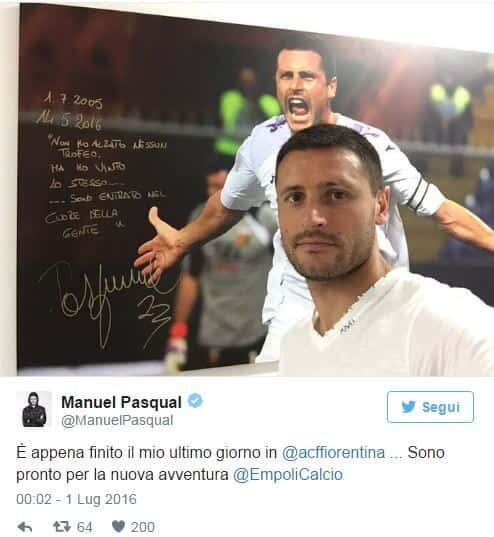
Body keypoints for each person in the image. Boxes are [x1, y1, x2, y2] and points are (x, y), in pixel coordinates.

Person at [135, 35, 494, 364]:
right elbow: (226, 206)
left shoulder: (369, 145)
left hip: (371, 307)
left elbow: (444, 213)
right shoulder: (263, 142)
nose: (295, 85)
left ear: (330, 86)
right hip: (294, 311)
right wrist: (182, 240)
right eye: (286, 75)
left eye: (306, 76)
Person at [275, 124, 494, 376]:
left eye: (336, 195)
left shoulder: (444, 320)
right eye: (295, 197)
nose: (313, 218)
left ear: (381, 205)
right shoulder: (294, 346)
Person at [164, 156, 276, 371]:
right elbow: (191, 276)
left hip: (257, 333)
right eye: (210, 186)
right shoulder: (198, 218)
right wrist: (177, 334)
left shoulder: (264, 216)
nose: (213, 193)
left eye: (220, 187)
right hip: (214, 333)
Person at [214, 67, 280, 157]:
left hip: (256, 154)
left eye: (250, 81)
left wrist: (256, 102)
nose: (247, 85)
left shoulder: (270, 102)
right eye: (244, 81)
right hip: (229, 151)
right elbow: (230, 125)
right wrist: (248, 100)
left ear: (257, 82)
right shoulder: (230, 98)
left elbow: (270, 130)